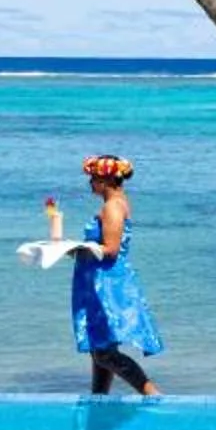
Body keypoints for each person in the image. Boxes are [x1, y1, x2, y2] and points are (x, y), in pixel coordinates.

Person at [72, 154, 163, 396]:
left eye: (93, 178)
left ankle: (152, 394)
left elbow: (110, 250)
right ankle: (98, 400)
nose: (90, 183)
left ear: (105, 181)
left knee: (103, 352)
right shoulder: (118, 203)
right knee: (99, 347)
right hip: (100, 280)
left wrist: (78, 249)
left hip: (106, 283)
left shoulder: (112, 207)